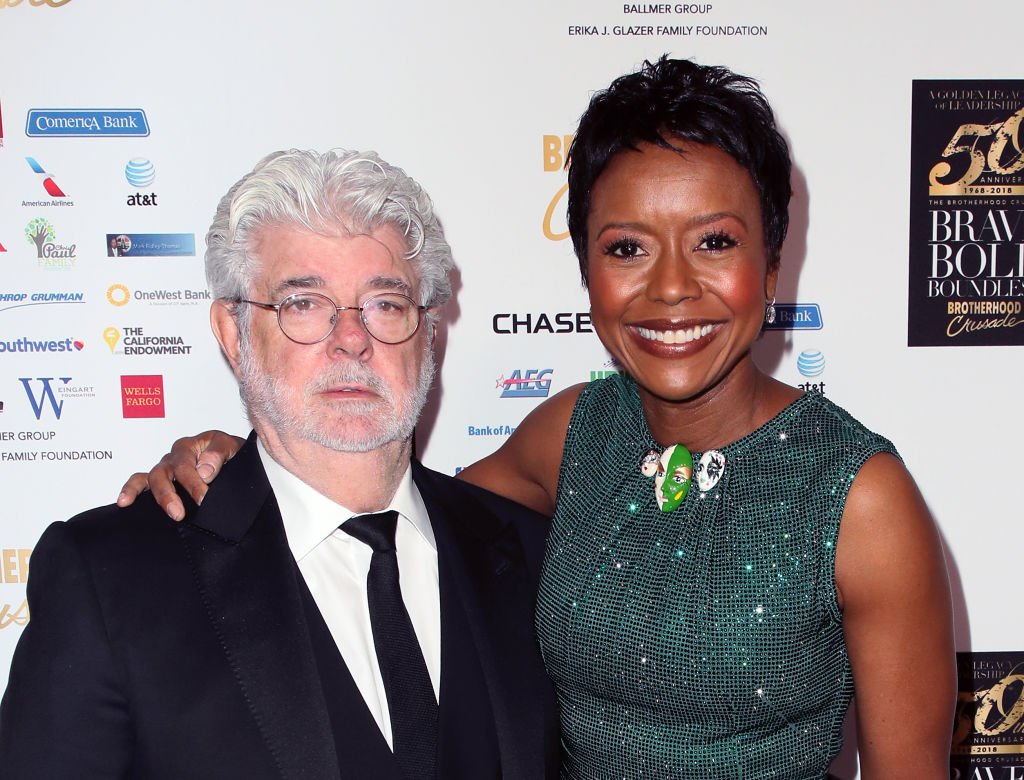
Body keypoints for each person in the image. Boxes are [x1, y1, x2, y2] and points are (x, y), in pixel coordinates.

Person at [116, 58, 957, 779]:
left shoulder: (857, 497)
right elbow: (394, 515)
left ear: (772, 260)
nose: (669, 289)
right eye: (627, 248)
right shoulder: (576, 433)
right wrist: (250, 466)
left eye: (714, 242)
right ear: (587, 271)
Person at [0, 149, 559, 780]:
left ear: (428, 331)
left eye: (385, 304)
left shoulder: (537, 559)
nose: (352, 338)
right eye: (303, 304)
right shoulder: (107, 579)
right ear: (234, 335)